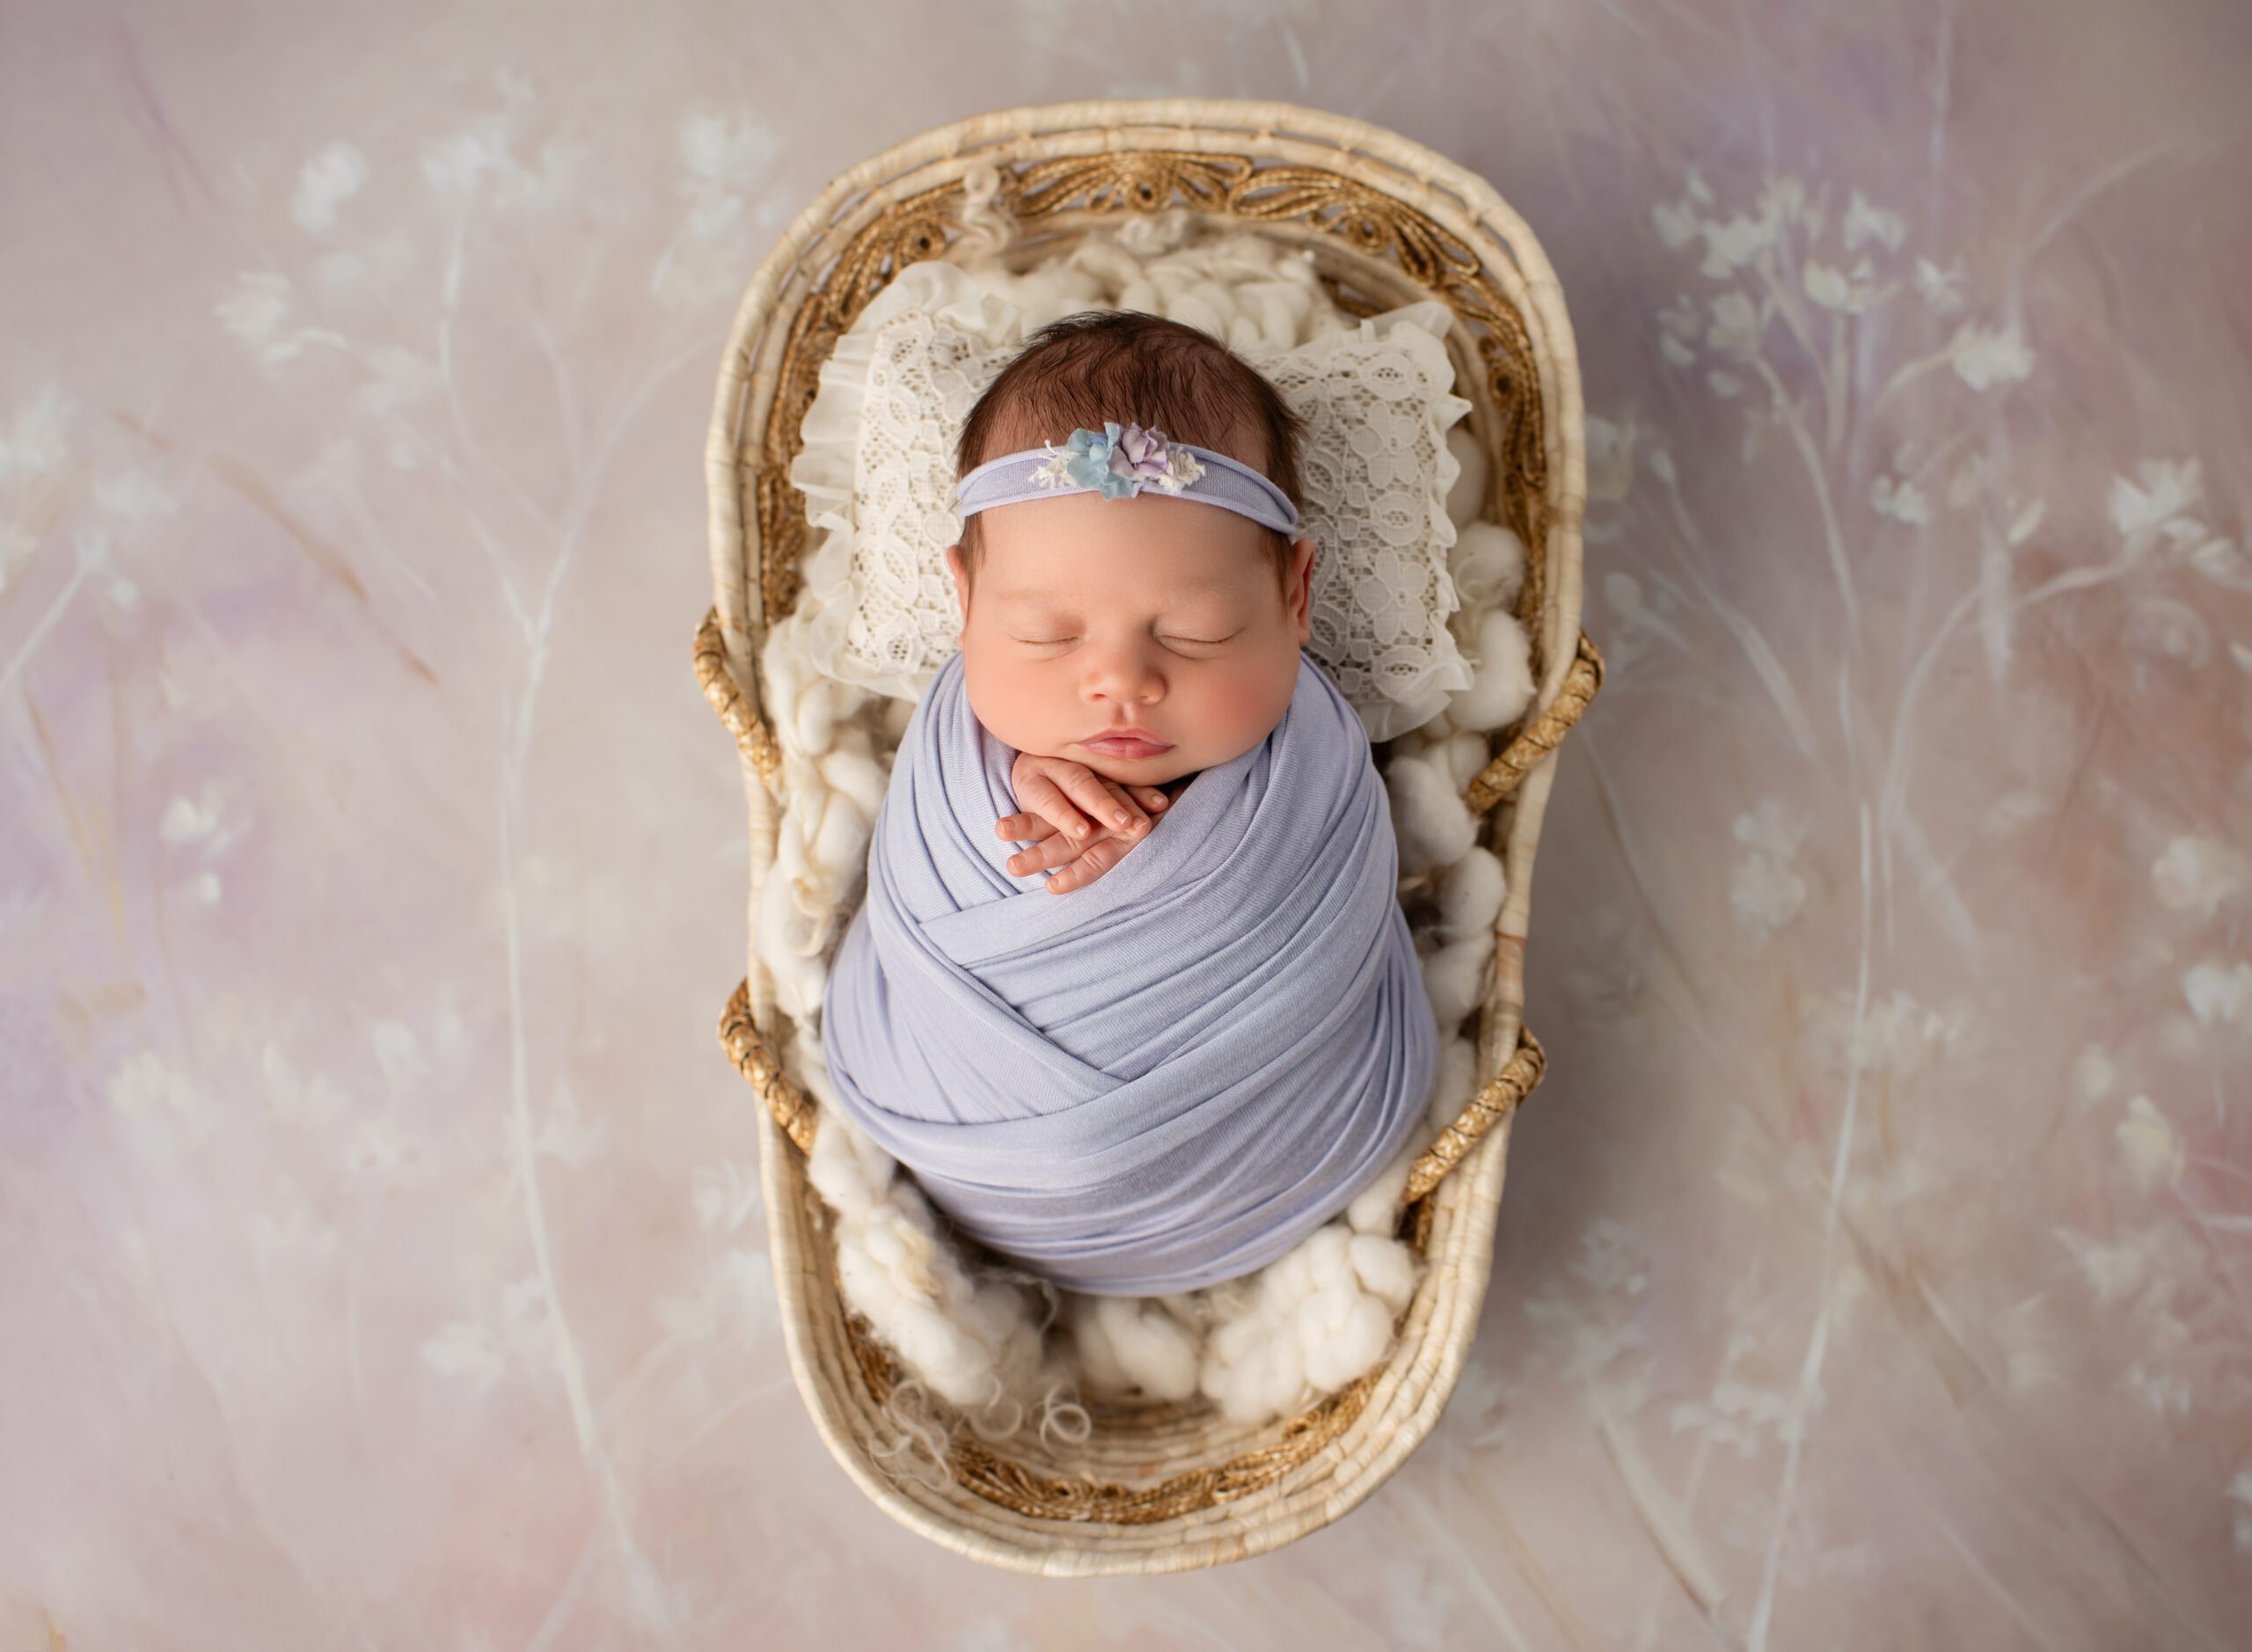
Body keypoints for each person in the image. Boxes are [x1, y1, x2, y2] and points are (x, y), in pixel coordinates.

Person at [941, 309, 1318, 895]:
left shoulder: (1320, 771)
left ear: (1295, 597)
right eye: (1045, 634)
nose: (1121, 682)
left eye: (1197, 632)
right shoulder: (948, 764)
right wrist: (1003, 775)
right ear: (965, 603)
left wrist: (1191, 840)